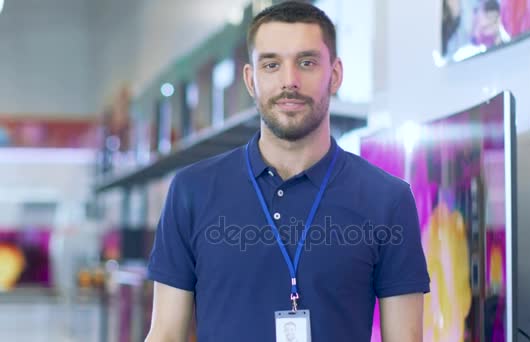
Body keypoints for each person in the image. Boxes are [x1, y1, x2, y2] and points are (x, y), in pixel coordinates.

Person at [144, 2, 429, 341]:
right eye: (271, 64)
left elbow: (406, 338)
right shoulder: (192, 191)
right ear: (251, 79)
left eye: (306, 63)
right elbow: (165, 334)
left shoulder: (388, 199)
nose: (289, 81)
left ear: (335, 75)